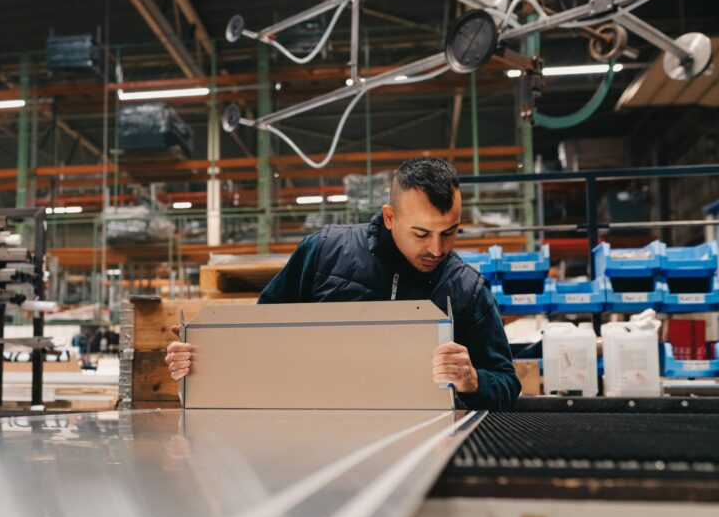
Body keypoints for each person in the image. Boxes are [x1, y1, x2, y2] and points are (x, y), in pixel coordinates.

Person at [165, 157, 520, 410]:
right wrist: (201, 360)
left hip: (420, 452)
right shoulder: (323, 253)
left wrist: (473, 381)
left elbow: (506, 383)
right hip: (314, 436)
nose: (437, 248)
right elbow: (260, 338)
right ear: (390, 217)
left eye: (450, 232)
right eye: (422, 233)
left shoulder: (467, 289)